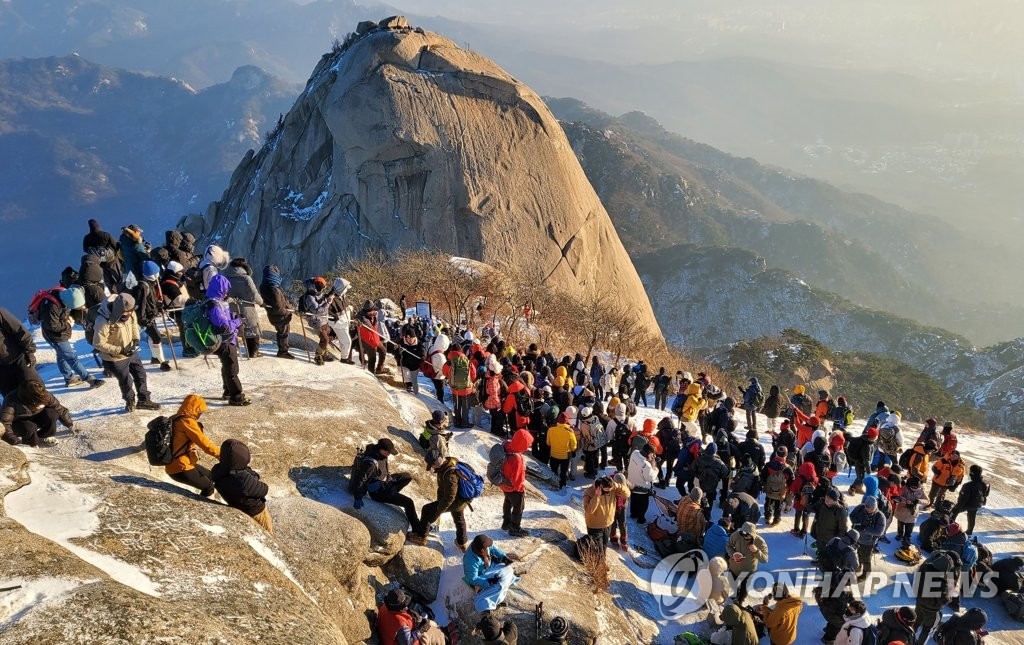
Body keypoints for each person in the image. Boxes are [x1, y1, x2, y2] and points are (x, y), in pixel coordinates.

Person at [92, 293, 160, 412]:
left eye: (131, 311)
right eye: (126, 312)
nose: (129, 314)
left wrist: (136, 340)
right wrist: (120, 350)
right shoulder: (103, 320)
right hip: (114, 357)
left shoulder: (130, 313)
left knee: (140, 374)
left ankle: (144, 400)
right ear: (119, 310)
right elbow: (98, 343)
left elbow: (134, 326)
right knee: (126, 380)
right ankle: (130, 401)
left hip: (131, 351)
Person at [37, 285, 103, 388]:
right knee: (72, 358)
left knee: (62, 355)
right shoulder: (50, 307)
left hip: (60, 332)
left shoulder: (64, 294)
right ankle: (90, 380)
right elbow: (53, 326)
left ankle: (69, 378)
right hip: (55, 336)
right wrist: (68, 324)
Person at [352, 438, 419, 531]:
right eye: (388, 452)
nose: (389, 454)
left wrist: (389, 478)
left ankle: (392, 494)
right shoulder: (370, 464)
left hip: (386, 483)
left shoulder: (381, 454)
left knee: (407, 477)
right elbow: (360, 480)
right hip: (379, 493)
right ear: (382, 449)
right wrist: (358, 497)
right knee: (409, 502)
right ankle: (417, 528)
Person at [409, 450, 471, 551]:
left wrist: (438, 509)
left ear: (436, 463)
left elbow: (450, 497)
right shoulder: (450, 462)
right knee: (459, 520)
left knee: (427, 510)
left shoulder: (450, 475)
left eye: (432, 465)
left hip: (455, 501)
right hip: (462, 499)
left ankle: (421, 537)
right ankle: (462, 542)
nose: (432, 468)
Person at [205, 274, 250, 406]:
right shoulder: (214, 305)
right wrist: (238, 321)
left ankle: (228, 391)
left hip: (224, 340)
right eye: (225, 289)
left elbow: (224, 319)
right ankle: (236, 396)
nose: (226, 292)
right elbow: (223, 327)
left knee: (227, 365)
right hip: (224, 341)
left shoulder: (213, 300)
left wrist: (234, 316)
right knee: (232, 367)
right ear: (220, 289)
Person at [211, 438, 273, 533]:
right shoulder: (243, 480)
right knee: (267, 531)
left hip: (237, 505)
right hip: (256, 511)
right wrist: (253, 477)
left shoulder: (217, 471)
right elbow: (264, 489)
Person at [165, 394, 220, 496]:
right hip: (181, 467)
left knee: (211, 476)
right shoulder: (187, 422)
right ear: (196, 409)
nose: (200, 414)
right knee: (209, 487)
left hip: (176, 464)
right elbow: (205, 444)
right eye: (200, 411)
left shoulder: (174, 418)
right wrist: (221, 455)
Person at [0, 379, 74, 447]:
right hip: (19, 423)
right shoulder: (11, 401)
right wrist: (15, 442)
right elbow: (4, 423)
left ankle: (45, 435)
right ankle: (32, 444)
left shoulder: (44, 394)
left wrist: (70, 424)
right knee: (29, 427)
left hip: (35, 417)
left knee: (52, 413)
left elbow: (58, 408)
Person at [462, 534, 520, 612]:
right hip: (481, 576)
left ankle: (497, 593)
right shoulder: (469, 560)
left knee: (508, 569)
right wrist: (488, 582)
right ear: (482, 550)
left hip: (488, 567)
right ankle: (485, 603)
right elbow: (473, 579)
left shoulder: (480, 546)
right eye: (486, 547)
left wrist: (503, 557)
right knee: (498, 585)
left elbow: (493, 548)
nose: (488, 547)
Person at [222, 257, 264, 358]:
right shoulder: (246, 278)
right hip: (247, 307)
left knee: (238, 328)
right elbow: (254, 294)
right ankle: (253, 352)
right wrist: (261, 303)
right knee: (252, 328)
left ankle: (238, 350)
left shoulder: (226, 277)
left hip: (232, 307)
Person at [135, 261, 172, 371]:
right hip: (145, 318)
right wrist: (143, 320)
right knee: (157, 337)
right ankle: (162, 362)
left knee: (153, 336)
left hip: (149, 315)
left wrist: (157, 305)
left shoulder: (147, 284)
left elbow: (150, 300)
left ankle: (155, 357)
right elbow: (141, 305)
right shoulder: (143, 286)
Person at [376, 588, 446, 645]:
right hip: (404, 641)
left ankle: (442, 632)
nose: (406, 607)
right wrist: (420, 630)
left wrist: (411, 615)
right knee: (430, 635)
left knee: (427, 623)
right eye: (404, 605)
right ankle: (445, 640)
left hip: (390, 636)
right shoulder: (400, 624)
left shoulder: (385, 607)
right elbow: (407, 643)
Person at [499, 428, 532, 537]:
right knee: (519, 507)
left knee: (508, 502)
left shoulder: (507, 446)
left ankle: (506, 523)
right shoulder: (517, 459)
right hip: (514, 487)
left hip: (504, 483)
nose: (527, 447)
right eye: (527, 444)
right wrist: (521, 490)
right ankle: (514, 528)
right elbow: (517, 478)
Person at [0, 306, 39, 397]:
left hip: (18, 358)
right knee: (11, 399)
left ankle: (57, 411)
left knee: (37, 391)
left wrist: (29, 351)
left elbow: (19, 329)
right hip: (1, 370)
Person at [726, 521, 769, 603]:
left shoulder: (760, 542)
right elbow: (728, 545)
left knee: (743, 593)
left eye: (748, 535)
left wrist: (756, 551)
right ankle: (734, 597)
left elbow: (765, 559)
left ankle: (740, 602)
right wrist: (733, 554)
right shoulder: (736, 535)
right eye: (743, 534)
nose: (745, 536)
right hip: (734, 569)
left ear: (753, 534)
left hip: (748, 573)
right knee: (733, 589)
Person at [583, 475, 627, 552]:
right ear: (600, 486)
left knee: (604, 547)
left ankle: (602, 561)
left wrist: (619, 486)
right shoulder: (589, 492)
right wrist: (597, 496)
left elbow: (627, 494)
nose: (608, 493)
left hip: (608, 524)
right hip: (595, 526)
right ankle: (597, 562)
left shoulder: (612, 489)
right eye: (606, 491)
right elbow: (589, 511)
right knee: (598, 550)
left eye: (609, 491)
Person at [259, 265, 294, 359]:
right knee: (283, 333)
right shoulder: (274, 290)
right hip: (280, 316)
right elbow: (279, 307)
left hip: (273, 315)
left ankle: (282, 350)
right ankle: (283, 351)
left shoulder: (264, 286)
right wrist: (288, 312)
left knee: (281, 332)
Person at [849, 495, 885, 581]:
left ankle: (866, 574)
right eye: (867, 507)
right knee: (859, 553)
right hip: (857, 538)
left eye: (871, 508)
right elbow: (852, 516)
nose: (868, 510)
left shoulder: (880, 516)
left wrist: (865, 529)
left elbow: (879, 532)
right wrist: (856, 523)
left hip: (868, 542)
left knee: (867, 558)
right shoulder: (861, 508)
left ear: (875, 507)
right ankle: (859, 566)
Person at [950, 464, 990, 536]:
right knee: (972, 516)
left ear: (972, 473)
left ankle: (949, 528)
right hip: (978, 504)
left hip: (967, 504)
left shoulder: (968, 485)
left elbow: (963, 499)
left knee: (954, 512)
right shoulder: (986, 483)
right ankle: (969, 531)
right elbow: (986, 494)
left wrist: (957, 507)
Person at [302, 277, 334, 365]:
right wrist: (328, 302)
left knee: (327, 338)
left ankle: (324, 354)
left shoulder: (316, 294)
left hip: (323, 319)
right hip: (316, 321)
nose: (323, 289)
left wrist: (330, 294)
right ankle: (318, 356)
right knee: (325, 339)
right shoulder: (309, 297)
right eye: (322, 287)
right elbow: (317, 310)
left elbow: (321, 300)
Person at [893, 476, 929, 547]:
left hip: (912, 512)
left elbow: (927, 501)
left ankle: (907, 537)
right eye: (912, 487)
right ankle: (900, 534)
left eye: (916, 488)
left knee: (910, 526)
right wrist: (905, 501)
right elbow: (898, 496)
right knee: (900, 524)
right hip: (902, 510)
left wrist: (919, 501)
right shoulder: (904, 488)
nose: (914, 489)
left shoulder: (921, 490)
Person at [627, 443, 656, 524]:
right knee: (642, 505)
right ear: (649, 454)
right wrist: (654, 467)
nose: (653, 456)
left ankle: (633, 514)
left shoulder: (635, 453)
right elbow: (650, 477)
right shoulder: (646, 465)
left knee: (634, 501)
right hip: (642, 489)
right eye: (652, 454)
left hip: (631, 484)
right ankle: (641, 519)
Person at [546, 412, 577, 490]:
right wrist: (573, 450)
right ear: (567, 421)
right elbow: (574, 445)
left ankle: (554, 484)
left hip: (554, 454)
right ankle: (562, 485)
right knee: (563, 472)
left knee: (554, 471)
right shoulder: (570, 431)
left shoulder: (551, 429)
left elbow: (548, 442)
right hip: (565, 456)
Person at [356, 300, 388, 374]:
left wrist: (374, 317)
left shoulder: (371, 315)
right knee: (372, 358)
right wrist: (375, 318)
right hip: (367, 340)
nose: (375, 311)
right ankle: (371, 374)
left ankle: (379, 368)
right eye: (373, 310)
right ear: (368, 311)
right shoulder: (362, 318)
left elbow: (375, 327)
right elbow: (371, 327)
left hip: (375, 338)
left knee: (383, 351)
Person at [396, 325, 425, 393]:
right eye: (408, 338)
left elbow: (422, 351)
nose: (410, 340)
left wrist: (423, 357)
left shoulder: (418, 344)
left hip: (414, 365)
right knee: (406, 374)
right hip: (404, 364)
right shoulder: (401, 343)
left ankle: (416, 392)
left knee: (414, 379)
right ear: (405, 338)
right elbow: (396, 353)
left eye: (412, 338)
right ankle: (408, 386)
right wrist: (398, 353)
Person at [607, 472, 630, 550]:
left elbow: (628, 493)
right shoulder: (610, 486)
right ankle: (613, 538)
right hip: (612, 506)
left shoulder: (625, 487)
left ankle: (624, 541)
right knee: (612, 523)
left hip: (622, 506)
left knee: (622, 523)